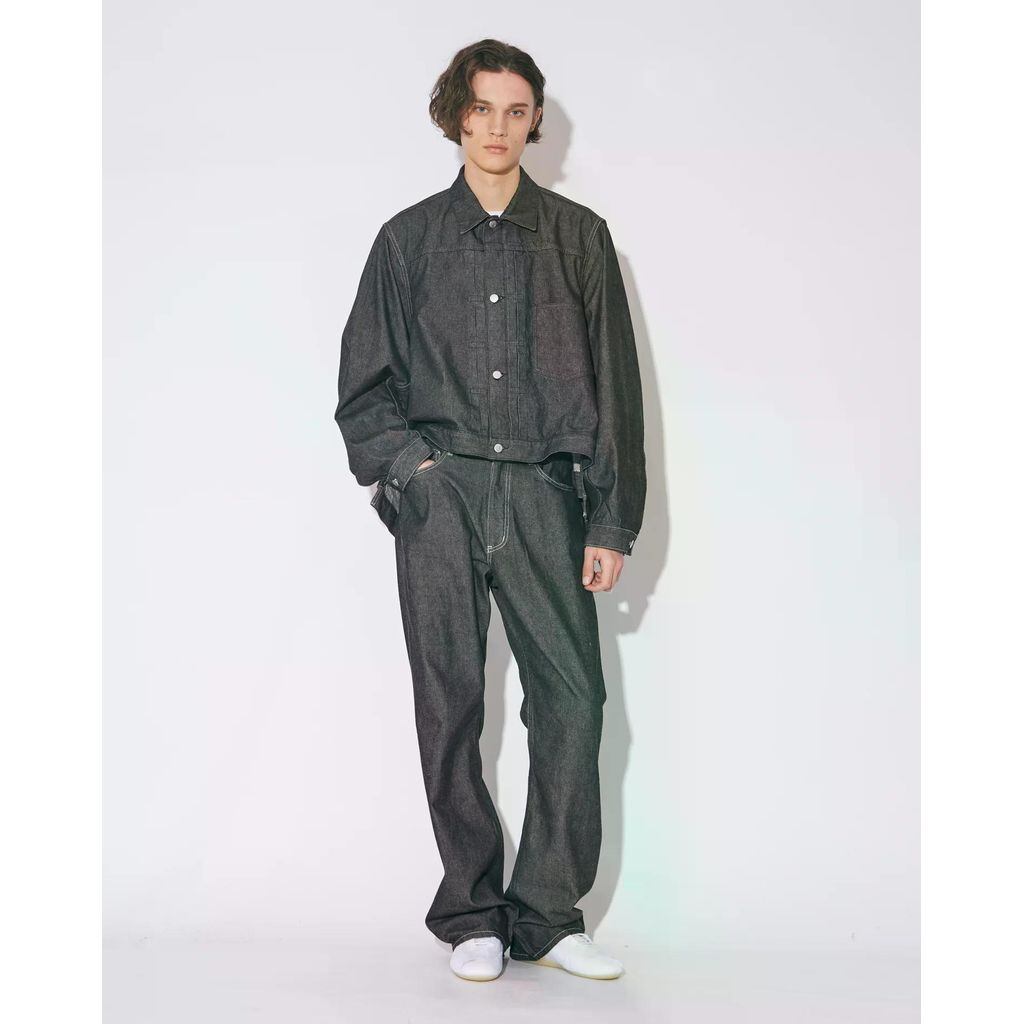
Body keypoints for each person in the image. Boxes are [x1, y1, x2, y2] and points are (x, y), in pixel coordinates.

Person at [334, 38, 646, 982]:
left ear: (536, 119)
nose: (499, 127)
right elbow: (364, 391)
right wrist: (416, 476)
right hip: (445, 494)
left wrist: (611, 520)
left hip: (548, 494)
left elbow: (617, 389)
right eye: (482, 109)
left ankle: (546, 914)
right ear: (455, 115)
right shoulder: (408, 241)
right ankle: (472, 910)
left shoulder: (579, 239)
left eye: (516, 110)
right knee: (450, 702)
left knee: (574, 700)